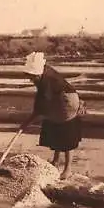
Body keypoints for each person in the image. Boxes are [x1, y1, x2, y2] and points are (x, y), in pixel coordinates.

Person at [19, 52, 85, 180]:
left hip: (67, 103)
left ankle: (67, 169)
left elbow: (41, 105)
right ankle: (55, 161)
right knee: (54, 126)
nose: (31, 80)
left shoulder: (47, 80)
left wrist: (28, 122)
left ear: (38, 73)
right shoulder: (43, 75)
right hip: (58, 100)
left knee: (66, 134)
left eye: (33, 77)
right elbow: (42, 102)